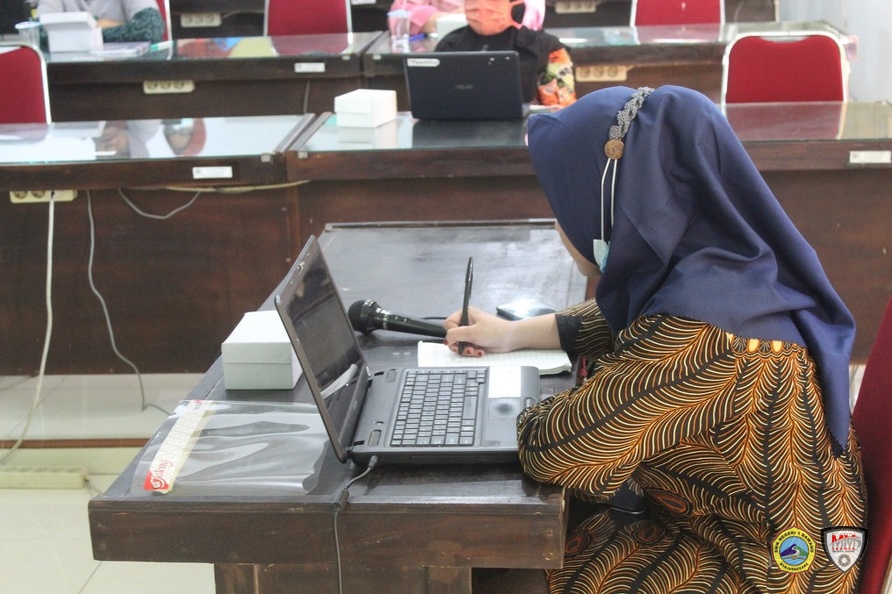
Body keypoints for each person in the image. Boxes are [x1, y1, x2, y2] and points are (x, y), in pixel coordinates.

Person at [444, 86, 867, 593]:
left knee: (488, 572)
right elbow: (620, 317)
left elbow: (558, 448)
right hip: (744, 528)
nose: (560, 221)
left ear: (608, 201)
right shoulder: (731, 269)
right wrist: (512, 334)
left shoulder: (701, 339)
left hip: (764, 570)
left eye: (562, 201)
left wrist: (482, 408)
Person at [435, 0, 575, 107]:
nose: (481, 5)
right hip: (456, 138)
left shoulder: (547, 47)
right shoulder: (449, 45)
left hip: (524, 138)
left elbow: (561, 113)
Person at [389, 0, 544, 36]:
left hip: (513, 50)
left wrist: (487, 16)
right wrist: (449, 19)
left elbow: (531, 17)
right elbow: (399, 15)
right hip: (450, 52)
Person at [37, 0, 164, 43]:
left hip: (124, 72)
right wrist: (96, 27)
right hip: (69, 75)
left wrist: (73, 33)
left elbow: (151, 27)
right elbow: (37, 31)